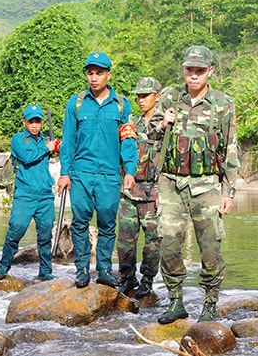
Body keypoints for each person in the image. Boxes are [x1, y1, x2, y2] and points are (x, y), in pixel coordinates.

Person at [155, 46, 240, 324]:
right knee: (167, 241)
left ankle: (210, 304)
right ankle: (176, 301)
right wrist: (162, 122)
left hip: (206, 185)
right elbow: (147, 132)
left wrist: (228, 191)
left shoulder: (223, 104)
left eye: (200, 70)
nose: (194, 75)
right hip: (170, 182)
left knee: (210, 246)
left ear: (210, 72)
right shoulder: (168, 96)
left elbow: (230, 149)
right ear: (183, 69)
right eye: (189, 69)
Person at [58, 52, 138, 288]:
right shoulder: (76, 103)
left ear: (108, 75)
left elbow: (128, 139)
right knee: (80, 222)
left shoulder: (122, 104)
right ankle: (82, 269)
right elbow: (68, 140)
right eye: (90, 73)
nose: (94, 78)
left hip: (110, 175)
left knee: (107, 224)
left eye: (99, 73)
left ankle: (104, 269)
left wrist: (130, 170)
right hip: (81, 173)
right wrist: (64, 173)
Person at [0, 104, 56, 281]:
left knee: (45, 234)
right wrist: (47, 148)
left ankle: (45, 271)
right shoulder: (18, 139)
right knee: (17, 229)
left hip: (45, 195)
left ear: (42, 123)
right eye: (31, 121)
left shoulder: (46, 141)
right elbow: (27, 158)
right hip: (25, 194)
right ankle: (4, 266)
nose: (34, 125)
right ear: (24, 122)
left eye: (37, 121)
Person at [117, 77, 164, 298]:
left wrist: (163, 192)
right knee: (125, 239)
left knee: (153, 241)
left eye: (146, 95)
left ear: (158, 97)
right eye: (139, 95)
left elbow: (171, 159)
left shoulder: (165, 124)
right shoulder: (131, 122)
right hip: (128, 191)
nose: (141, 99)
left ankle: (147, 281)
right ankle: (127, 278)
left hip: (152, 192)